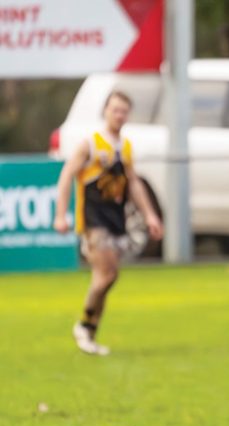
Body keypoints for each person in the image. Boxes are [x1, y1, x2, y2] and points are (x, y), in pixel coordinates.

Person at [54, 90, 164, 356]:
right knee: (106, 273)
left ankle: (88, 329)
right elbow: (67, 175)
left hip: (116, 219)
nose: (119, 115)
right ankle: (84, 325)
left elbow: (134, 182)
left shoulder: (124, 147)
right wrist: (60, 214)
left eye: (123, 111)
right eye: (115, 109)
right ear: (105, 111)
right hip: (93, 220)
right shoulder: (90, 144)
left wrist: (149, 214)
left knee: (109, 276)